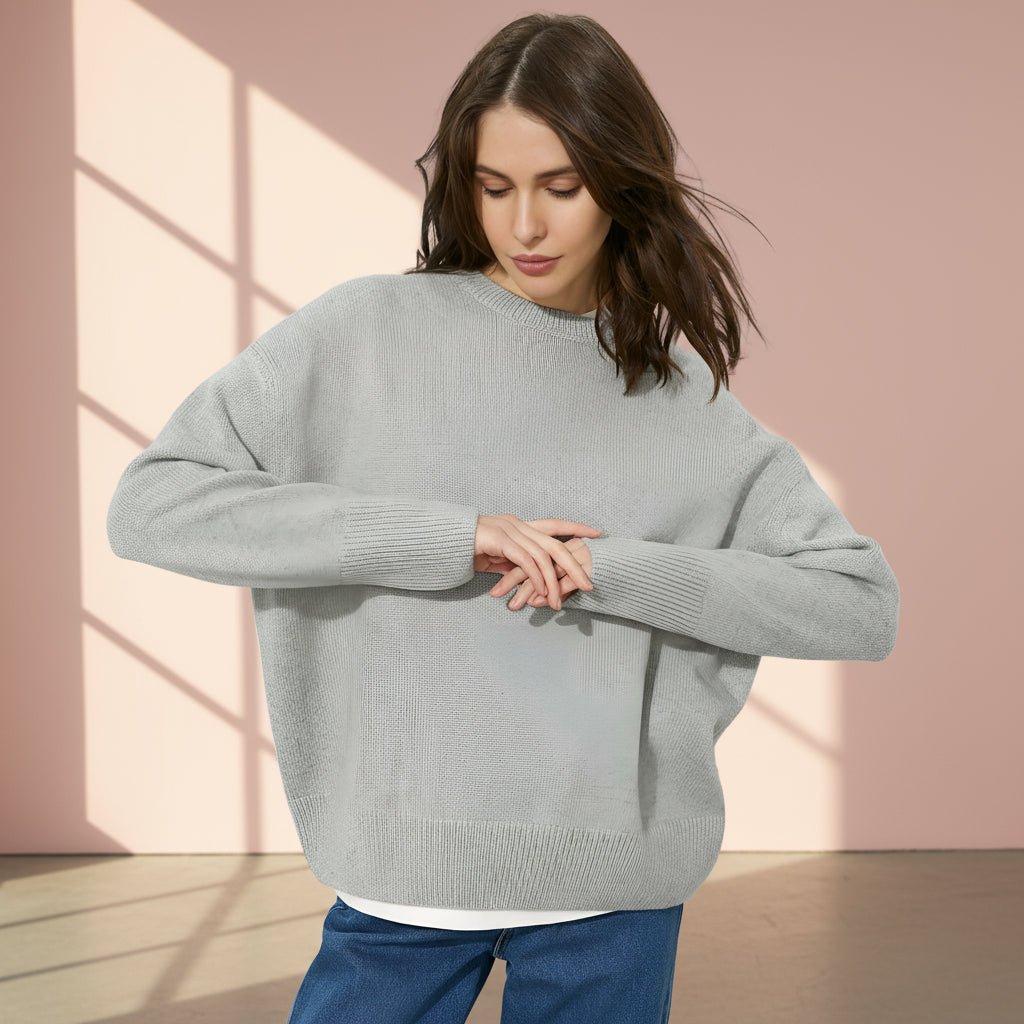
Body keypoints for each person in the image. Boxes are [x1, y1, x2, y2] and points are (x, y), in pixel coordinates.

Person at [105, 12, 900, 1024]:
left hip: (611, 893)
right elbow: (154, 503)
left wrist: (617, 568)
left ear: (621, 181)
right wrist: (450, 536)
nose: (524, 225)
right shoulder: (363, 335)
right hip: (402, 876)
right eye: (493, 188)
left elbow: (859, 605)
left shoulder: (678, 398)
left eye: (561, 188)